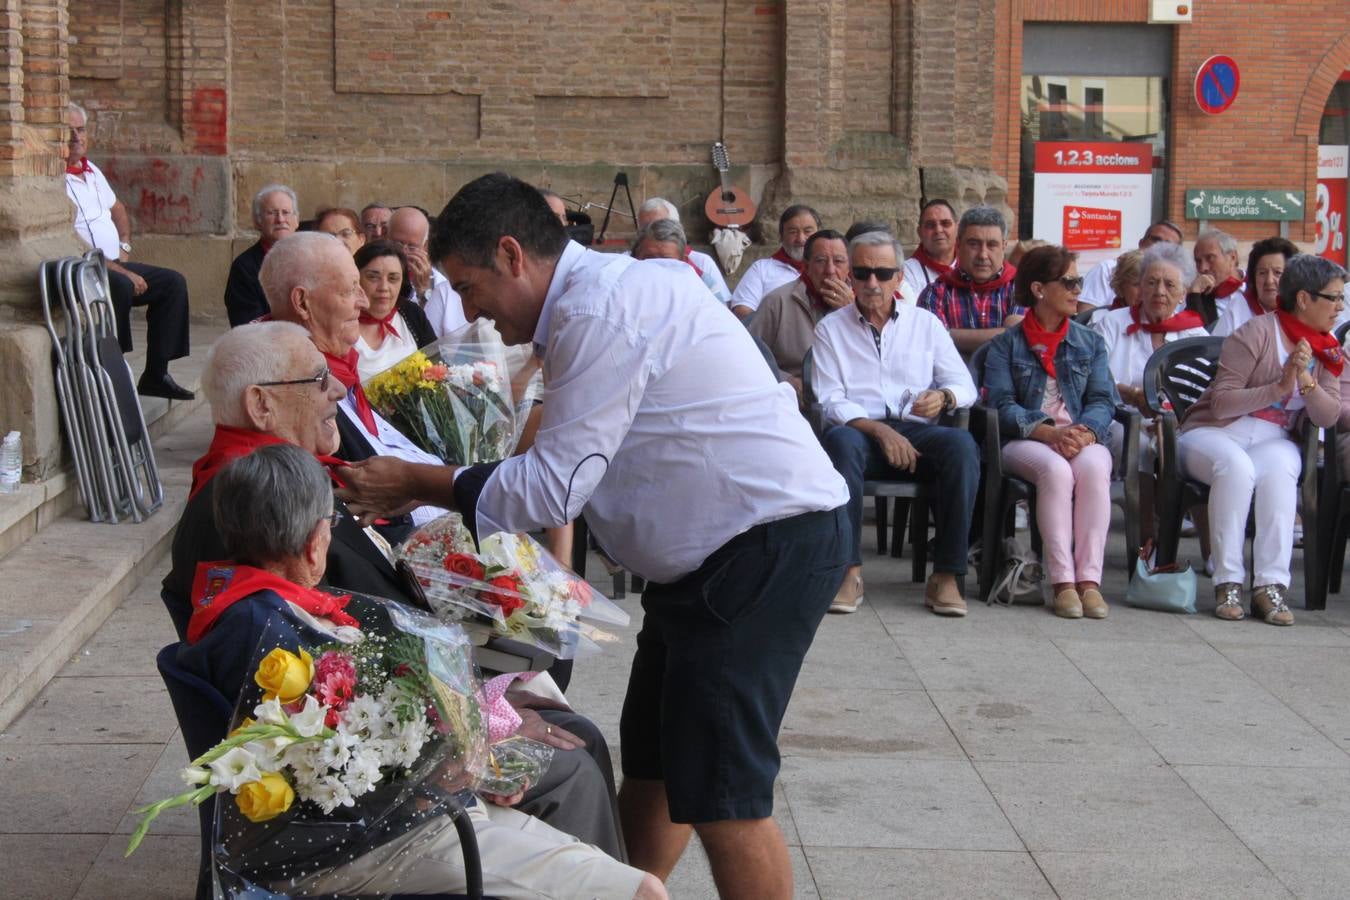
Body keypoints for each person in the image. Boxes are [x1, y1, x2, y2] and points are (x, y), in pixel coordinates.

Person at [334, 173, 850, 900]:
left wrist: (415, 482)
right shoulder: (592, 301)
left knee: (723, 790)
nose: (470, 309)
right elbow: (556, 445)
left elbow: (551, 487)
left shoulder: (602, 308)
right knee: (657, 762)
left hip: (761, 549)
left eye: (470, 286)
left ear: (513, 255)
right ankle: (630, 893)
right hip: (706, 564)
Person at [162, 322, 629, 861]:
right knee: (573, 766)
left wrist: (486, 694)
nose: (338, 389)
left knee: (575, 731)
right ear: (261, 405)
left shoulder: (267, 480)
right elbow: (328, 678)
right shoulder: (253, 500)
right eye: (317, 380)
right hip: (362, 775)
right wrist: (478, 725)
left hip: (402, 710)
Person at [176, 444, 662, 900]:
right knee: (642, 891)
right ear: (312, 543)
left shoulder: (248, 607)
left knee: (601, 859)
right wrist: (469, 767)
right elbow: (337, 766)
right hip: (356, 843)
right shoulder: (273, 633)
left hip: (383, 820)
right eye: (330, 522)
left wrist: (478, 751)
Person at [814, 231, 980, 617]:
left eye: (883, 273)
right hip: (861, 433)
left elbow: (963, 384)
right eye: (863, 273)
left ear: (899, 277)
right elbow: (829, 399)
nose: (873, 283)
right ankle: (848, 570)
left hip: (917, 432)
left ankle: (947, 576)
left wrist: (944, 397)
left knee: (962, 448)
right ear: (850, 277)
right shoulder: (831, 329)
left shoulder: (926, 324)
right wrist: (880, 431)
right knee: (839, 442)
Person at [1179, 254, 1346, 625]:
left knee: (1282, 469)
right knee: (1236, 468)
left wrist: (1307, 381)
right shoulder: (1257, 332)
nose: (1339, 306)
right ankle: (1228, 580)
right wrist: (1280, 386)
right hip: (1215, 431)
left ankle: (1270, 586)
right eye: (1332, 298)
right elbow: (1221, 403)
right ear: (1304, 299)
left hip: (1273, 437)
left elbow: (1328, 415)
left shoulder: (1328, 349)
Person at [985, 246, 1119, 619]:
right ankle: (1062, 582)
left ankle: (1089, 582)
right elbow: (1001, 404)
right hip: (1027, 440)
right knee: (1055, 471)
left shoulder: (1089, 342)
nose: (1079, 290)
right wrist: (1046, 433)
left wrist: (1086, 432)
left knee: (1093, 468)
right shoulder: (1004, 345)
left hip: (1079, 435)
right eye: (1070, 282)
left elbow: (1103, 399)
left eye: (1078, 281)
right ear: (1040, 289)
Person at [64, 102, 193, 400]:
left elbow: (118, 209)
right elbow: (68, 240)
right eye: (68, 131)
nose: (76, 138)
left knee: (172, 283)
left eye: (80, 129)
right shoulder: (52, 178)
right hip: (84, 269)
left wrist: (124, 245)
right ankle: (114, 371)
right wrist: (120, 269)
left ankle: (156, 374)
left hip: (114, 263)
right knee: (121, 286)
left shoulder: (92, 170)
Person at [1091, 242, 1208, 544]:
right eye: (1152, 282)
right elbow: (1094, 380)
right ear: (1140, 286)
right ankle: (1147, 545)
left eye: (1170, 284)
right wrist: (1131, 395)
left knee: (1196, 449)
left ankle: (1212, 554)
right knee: (1140, 446)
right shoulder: (1112, 325)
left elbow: (1207, 391)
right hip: (1121, 419)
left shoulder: (1196, 335)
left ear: (1183, 293)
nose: (1159, 291)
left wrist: (1176, 420)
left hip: (1180, 423)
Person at [746, 228, 852, 394]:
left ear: (849, 268)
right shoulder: (777, 302)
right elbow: (749, 357)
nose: (830, 270)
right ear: (807, 266)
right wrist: (785, 381)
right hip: (796, 401)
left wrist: (852, 311)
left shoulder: (862, 304)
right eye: (821, 261)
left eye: (838, 261)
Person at [918, 205, 1023, 355]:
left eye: (992, 245)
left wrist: (949, 334)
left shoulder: (1021, 289)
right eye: (974, 244)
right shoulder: (935, 294)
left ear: (1004, 246)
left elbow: (1022, 341)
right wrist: (1005, 334)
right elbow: (931, 343)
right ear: (959, 245)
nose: (983, 254)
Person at [353, 240, 438, 382]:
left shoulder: (412, 314)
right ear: (356, 278)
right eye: (373, 277)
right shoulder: (341, 321)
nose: (384, 287)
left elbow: (437, 369)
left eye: (393, 278)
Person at [728, 204, 822, 318]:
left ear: (819, 234)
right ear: (781, 236)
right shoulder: (762, 269)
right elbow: (742, 311)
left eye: (808, 231)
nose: (801, 239)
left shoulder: (830, 269)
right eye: (793, 232)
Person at [225, 184, 299, 326]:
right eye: (272, 213)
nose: (280, 219)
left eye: (286, 212)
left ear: (296, 219)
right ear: (257, 222)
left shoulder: (313, 257)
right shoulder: (244, 268)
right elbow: (249, 326)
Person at [389, 205, 468, 337]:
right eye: (398, 244)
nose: (403, 252)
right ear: (386, 237)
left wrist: (424, 293)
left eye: (412, 246)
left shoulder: (442, 286)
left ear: (425, 247)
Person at [636, 197, 732, 305]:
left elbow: (721, 311)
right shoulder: (625, 265)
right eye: (644, 229)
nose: (654, 232)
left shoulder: (702, 265)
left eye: (662, 227)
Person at [1079, 220, 1184, 309]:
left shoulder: (1179, 280)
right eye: (1156, 240)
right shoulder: (1107, 269)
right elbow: (1085, 319)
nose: (1160, 247)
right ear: (1141, 243)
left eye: (1168, 245)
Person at [1212, 237, 1299, 338]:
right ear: (1253, 277)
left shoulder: (1302, 309)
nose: (1269, 280)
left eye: (1277, 273)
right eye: (1262, 273)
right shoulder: (1238, 308)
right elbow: (1217, 350)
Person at [1186, 228, 1245, 327]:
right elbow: (1196, 336)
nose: (1203, 268)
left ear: (1232, 257)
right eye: (1198, 261)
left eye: (1210, 258)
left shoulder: (1256, 286)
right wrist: (1194, 297)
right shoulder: (1196, 296)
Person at [901, 199, 958, 301]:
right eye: (930, 225)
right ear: (919, 232)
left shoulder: (971, 265)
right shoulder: (907, 272)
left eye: (945, 223)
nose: (938, 230)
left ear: (957, 228)